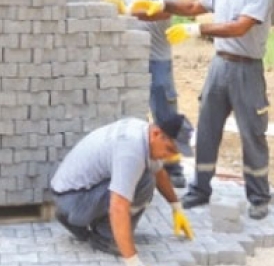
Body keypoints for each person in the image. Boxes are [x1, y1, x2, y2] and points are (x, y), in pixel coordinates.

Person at [130, 0, 273, 219]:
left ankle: (258, 197)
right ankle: (200, 189)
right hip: (219, 66)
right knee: (207, 128)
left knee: (252, 133)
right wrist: (163, 5)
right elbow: (194, 8)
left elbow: (239, 28)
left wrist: (198, 31)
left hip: (247, 69)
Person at [50, 106, 194, 266]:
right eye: (170, 149)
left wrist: (176, 207)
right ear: (157, 134)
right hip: (74, 199)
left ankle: (74, 219)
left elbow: (159, 171)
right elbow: (118, 206)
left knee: (146, 175)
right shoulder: (131, 151)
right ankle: (107, 238)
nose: (170, 156)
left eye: (175, 153)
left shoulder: (142, 132)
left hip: (68, 194)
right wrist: (132, 260)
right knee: (145, 182)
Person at [118, 0, 192, 188]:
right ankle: (147, 164)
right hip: (132, 58)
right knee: (137, 114)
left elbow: (166, 11)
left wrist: (132, 12)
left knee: (165, 113)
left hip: (157, 56)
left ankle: (173, 167)